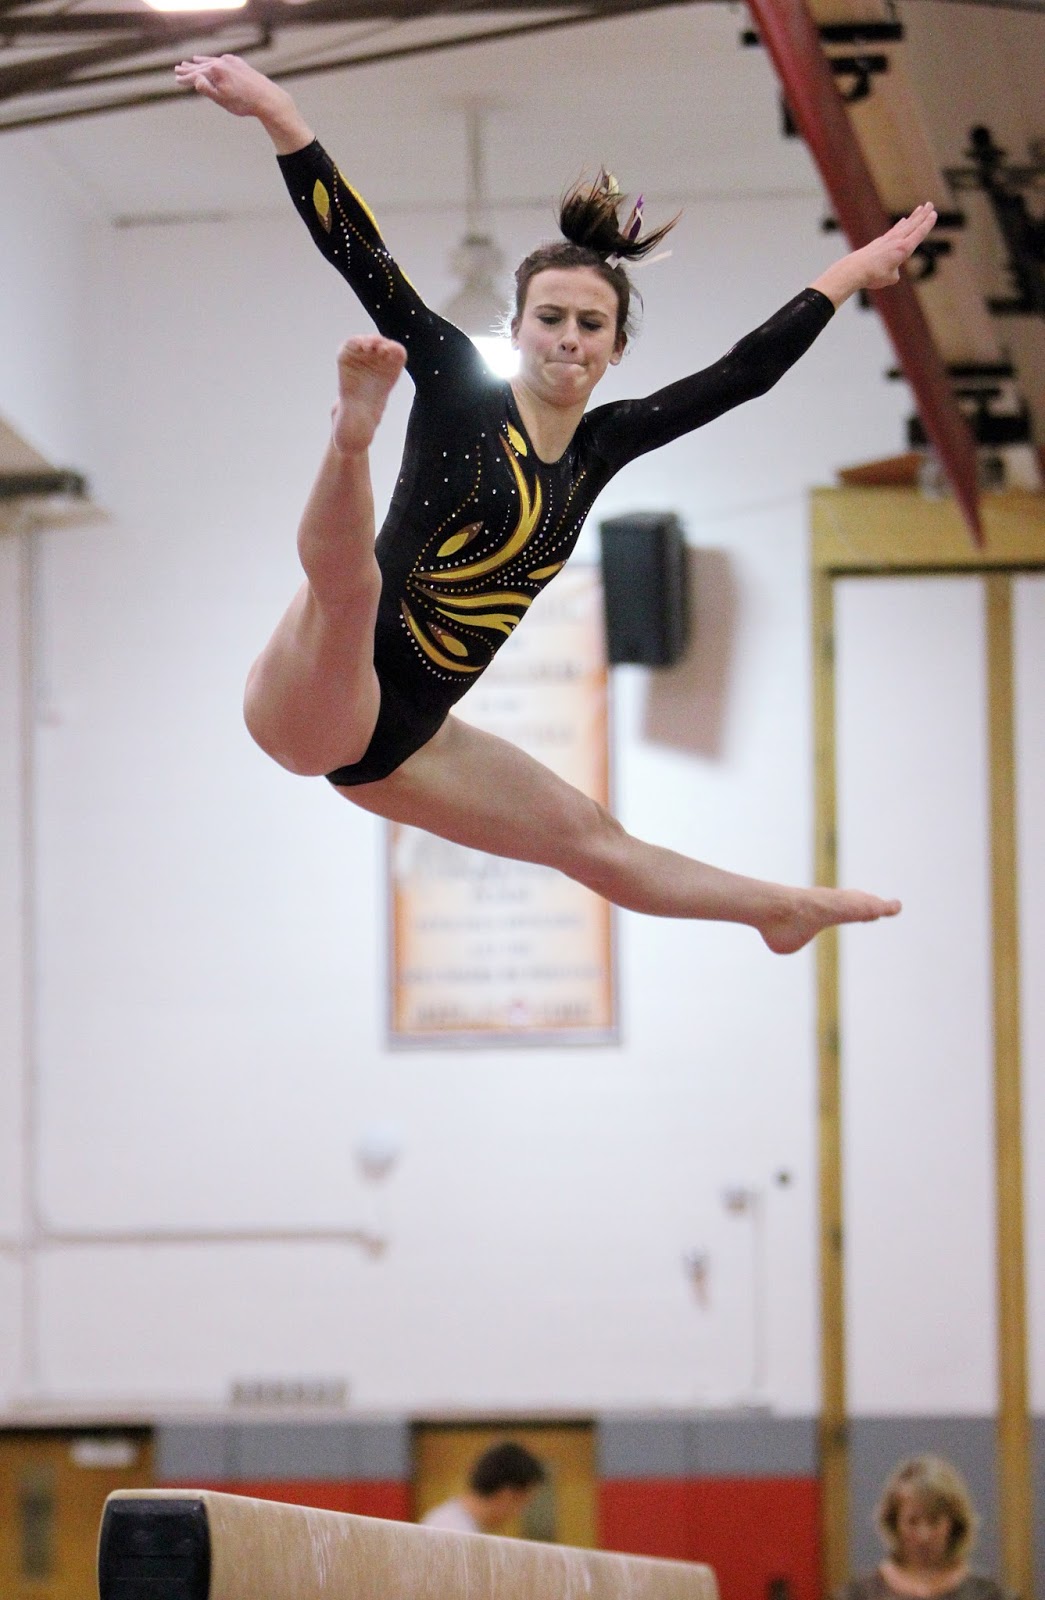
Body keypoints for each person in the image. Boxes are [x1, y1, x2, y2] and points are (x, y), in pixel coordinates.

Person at [173, 54, 934, 953]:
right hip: (312, 693)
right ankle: (352, 436)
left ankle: (776, 909)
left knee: (595, 841)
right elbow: (361, 258)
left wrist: (847, 275)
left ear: (615, 348)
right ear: (517, 327)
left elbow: (744, 375)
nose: (568, 340)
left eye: (590, 325)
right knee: (351, 590)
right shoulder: (458, 381)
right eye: (549, 318)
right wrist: (279, 114)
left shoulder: (604, 444)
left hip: (404, 739)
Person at [840, 1456, 1007, 1600]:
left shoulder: (988, 1594)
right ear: (894, 1523)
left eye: (934, 1522)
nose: (923, 1536)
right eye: (912, 1522)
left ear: (954, 1523)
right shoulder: (862, 1594)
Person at [420, 1440, 546, 1533]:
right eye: (523, 1503)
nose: (519, 1513)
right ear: (507, 1495)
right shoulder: (450, 1529)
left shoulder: (462, 1525)